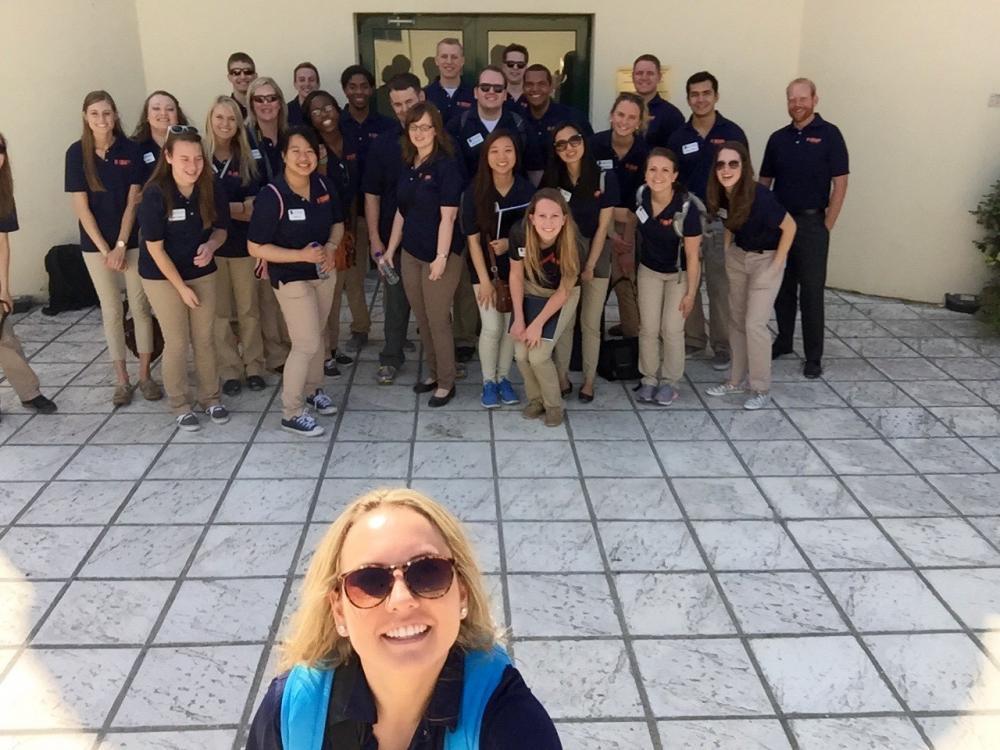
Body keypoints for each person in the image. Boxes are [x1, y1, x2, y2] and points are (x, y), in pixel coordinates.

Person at [246, 487, 561, 749]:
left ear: (462, 594)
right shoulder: (292, 711)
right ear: (339, 610)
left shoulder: (511, 726)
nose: (402, 600)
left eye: (429, 573)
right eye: (369, 581)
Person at [65, 90, 161, 407]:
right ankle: (122, 380)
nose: (102, 119)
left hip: (132, 241)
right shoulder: (76, 153)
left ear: (115, 115)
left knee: (140, 307)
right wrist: (106, 249)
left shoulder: (130, 150)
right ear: (85, 117)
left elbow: (133, 202)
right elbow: (81, 208)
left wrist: (120, 244)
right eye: (95, 114)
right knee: (111, 310)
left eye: (107, 113)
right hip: (95, 246)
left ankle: (146, 375)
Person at [248, 126, 343, 437]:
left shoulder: (323, 185)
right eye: (296, 151)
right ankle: (292, 411)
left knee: (317, 336)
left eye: (310, 151)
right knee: (305, 343)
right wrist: (300, 256)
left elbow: (338, 224)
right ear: (284, 156)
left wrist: (330, 247)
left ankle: (314, 390)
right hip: (290, 278)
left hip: (323, 273)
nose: (304, 158)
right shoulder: (272, 195)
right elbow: (256, 247)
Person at [137, 126, 231, 431]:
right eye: (184, 159)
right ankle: (179, 402)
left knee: (205, 338)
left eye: (198, 159)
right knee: (177, 342)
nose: (192, 166)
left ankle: (211, 397)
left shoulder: (210, 187)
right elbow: (155, 250)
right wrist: (180, 289)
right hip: (163, 276)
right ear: (168, 157)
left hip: (201, 271)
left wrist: (211, 246)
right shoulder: (155, 194)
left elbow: (221, 229)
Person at [761, 77, 849, 379]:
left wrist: (827, 225)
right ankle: (784, 340)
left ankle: (814, 355)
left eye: (802, 98)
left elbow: (841, 182)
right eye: (791, 99)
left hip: (813, 224)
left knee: (811, 292)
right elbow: (764, 183)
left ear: (814, 99)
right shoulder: (777, 139)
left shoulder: (831, 135)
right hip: (781, 224)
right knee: (782, 288)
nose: (796, 104)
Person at [384, 102, 464, 408]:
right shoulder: (409, 163)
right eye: (414, 126)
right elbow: (401, 214)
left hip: (439, 255)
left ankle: (446, 382)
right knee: (423, 318)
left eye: (426, 126)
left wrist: (441, 257)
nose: (419, 132)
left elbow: (449, 217)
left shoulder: (446, 166)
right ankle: (433, 373)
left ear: (436, 130)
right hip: (411, 254)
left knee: (438, 319)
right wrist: (391, 250)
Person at [705, 141, 796, 410]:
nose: (727, 169)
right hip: (738, 258)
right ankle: (734, 381)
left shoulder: (760, 196)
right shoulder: (722, 194)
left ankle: (760, 387)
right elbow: (729, 223)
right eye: (721, 164)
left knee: (755, 324)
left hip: (765, 260)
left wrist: (776, 266)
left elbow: (790, 227)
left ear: (744, 167)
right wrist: (727, 251)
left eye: (733, 163)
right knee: (736, 321)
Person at [668, 71, 747, 371]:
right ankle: (694, 339)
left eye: (706, 93)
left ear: (716, 95)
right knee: (688, 282)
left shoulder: (733, 133)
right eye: (694, 94)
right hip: (686, 221)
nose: (700, 99)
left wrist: (736, 221)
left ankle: (723, 345)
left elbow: (743, 181)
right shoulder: (679, 136)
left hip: (720, 223)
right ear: (687, 98)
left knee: (719, 285)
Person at [541, 122, 618, 403]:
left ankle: (588, 380)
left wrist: (589, 266)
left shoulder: (604, 178)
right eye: (561, 144)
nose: (569, 148)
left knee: (590, 323)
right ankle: (562, 377)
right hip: (565, 257)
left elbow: (603, 227)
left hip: (596, 255)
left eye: (574, 140)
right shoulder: (553, 179)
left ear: (583, 142)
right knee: (565, 320)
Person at [462, 131, 534, 409]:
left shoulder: (527, 191)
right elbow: (472, 240)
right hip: (485, 272)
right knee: (492, 327)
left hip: (517, 270)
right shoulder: (474, 191)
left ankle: (504, 378)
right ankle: (488, 382)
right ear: (486, 156)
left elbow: (534, 233)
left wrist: (510, 242)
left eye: (508, 150)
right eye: (495, 151)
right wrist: (485, 281)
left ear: (516, 155)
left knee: (509, 330)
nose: (502, 157)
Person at [203, 96, 267, 397]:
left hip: (243, 247)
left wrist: (218, 208)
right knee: (219, 314)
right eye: (219, 118)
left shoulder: (247, 158)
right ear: (210, 120)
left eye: (231, 119)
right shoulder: (198, 158)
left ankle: (253, 365)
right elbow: (198, 208)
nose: (225, 124)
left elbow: (254, 207)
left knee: (249, 311)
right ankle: (229, 369)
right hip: (211, 249)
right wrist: (234, 207)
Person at [364, 73, 423, 386]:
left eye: (409, 102)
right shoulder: (383, 143)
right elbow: (371, 194)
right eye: (397, 104)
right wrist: (375, 239)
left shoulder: (441, 140)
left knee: (434, 304)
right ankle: (391, 356)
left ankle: (442, 358)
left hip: (431, 238)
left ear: (422, 98)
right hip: (392, 240)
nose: (403, 110)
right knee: (395, 300)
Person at [634, 148, 702, 405]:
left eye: (665, 170)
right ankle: (650, 378)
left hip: (678, 275)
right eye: (652, 169)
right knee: (648, 328)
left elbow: (694, 256)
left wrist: (691, 294)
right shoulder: (641, 197)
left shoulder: (686, 208)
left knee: (672, 329)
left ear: (674, 175)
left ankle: (670, 382)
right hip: (649, 271)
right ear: (645, 173)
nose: (658, 175)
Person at [303, 89, 364, 377]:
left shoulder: (351, 138)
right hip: (323, 231)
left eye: (327, 108)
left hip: (349, 224)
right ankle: (324, 353)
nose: (324, 115)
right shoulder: (311, 148)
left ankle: (334, 347)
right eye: (316, 111)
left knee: (346, 287)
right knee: (327, 294)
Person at [509, 189, 583, 427]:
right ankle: (536, 400)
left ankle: (553, 406)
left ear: (564, 218)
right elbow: (516, 277)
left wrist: (538, 324)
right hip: (532, 289)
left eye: (554, 216)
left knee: (539, 355)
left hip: (561, 295)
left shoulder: (574, 245)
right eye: (542, 216)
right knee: (520, 354)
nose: (548, 223)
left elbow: (564, 291)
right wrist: (520, 319)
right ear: (532, 217)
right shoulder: (519, 234)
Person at [0, 132, 57, 421]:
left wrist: (4, 289)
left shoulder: (2, 193)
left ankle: (29, 393)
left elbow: (2, 244)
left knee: (6, 340)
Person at [340, 65, 393, 353]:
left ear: (372, 90)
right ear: (345, 89)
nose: (358, 91)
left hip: (384, 213)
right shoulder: (338, 124)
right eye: (352, 86)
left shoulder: (386, 126)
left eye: (364, 86)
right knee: (355, 276)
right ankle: (360, 327)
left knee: (390, 276)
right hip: (352, 214)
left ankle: (393, 330)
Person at [590, 92, 649, 340]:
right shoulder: (594, 145)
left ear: (639, 122)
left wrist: (626, 245)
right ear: (612, 116)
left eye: (631, 117)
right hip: (598, 224)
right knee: (597, 284)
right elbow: (588, 194)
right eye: (620, 115)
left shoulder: (645, 153)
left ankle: (631, 336)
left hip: (631, 227)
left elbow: (641, 203)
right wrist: (610, 231)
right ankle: (594, 336)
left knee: (627, 278)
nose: (625, 121)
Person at [246, 76, 293, 371]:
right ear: (251, 104)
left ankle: (296, 349)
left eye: (271, 97)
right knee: (266, 299)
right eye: (259, 99)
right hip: (262, 231)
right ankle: (276, 356)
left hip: (291, 230)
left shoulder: (289, 135)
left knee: (291, 295)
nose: (266, 104)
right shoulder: (245, 138)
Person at [521, 64, 592, 183]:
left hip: (564, 188)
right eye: (529, 84)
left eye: (541, 84)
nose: (535, 89)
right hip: (525, 190)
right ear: (523, 88)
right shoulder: (517, 119)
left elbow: (590, 152)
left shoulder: (572, 117)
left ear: (550, 87)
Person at [132, 90, 190, 185]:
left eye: (170, 109)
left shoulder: (191, 145)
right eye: (156, 108)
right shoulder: (134, 147)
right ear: (147, 115)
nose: (163, 113)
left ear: (177, 116)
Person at [631, 54, 685, 149]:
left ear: (659, 77)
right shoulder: (623, 110)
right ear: (632, 76)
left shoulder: (672, 115)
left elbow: (675, 154)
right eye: (639, 73)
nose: (644, 77)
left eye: (650, 73)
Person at [424, 38, 475, 124]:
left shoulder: (474, 94)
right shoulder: (425, 95)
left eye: (454, 57)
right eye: (444, 56)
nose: (449, 61)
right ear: (436, 60)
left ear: (462, 61)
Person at [287, 62, 320, 127]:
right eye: (302, 80)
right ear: (295, 84)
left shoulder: (328, 109)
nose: (307, 84)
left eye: (311, 79)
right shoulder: (285, 112)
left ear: (318, 84)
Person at [226, 51, 257, 118]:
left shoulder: (264, 107)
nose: (243, 77)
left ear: (255, 76)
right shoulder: (224, 110)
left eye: (247, 72)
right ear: (229, 77)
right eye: (236, 72)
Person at [502, 43, 529, 107]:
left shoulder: (533, 95)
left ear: (526, 67)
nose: (515, 68)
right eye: (510, 64)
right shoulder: (494, 95)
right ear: (503, 66)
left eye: (520, 64)